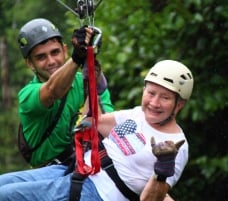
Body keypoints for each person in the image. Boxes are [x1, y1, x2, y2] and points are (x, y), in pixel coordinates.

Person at [0, 59, 193, 201]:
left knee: (6, 196)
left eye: (165, 98)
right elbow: (95, 121)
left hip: (97, 193)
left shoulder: (176, 146)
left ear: (179, 104)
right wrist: (91, 82)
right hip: (76, 170)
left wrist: (162, 169)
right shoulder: (136, 115)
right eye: (150, 93)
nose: (154, 103)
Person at [16, 18, 114, 167]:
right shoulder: (28, 96)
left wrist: (91, 68)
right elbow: (53, 91)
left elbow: (107, 127)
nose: (51, 61)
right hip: (47, 173)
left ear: (65, 50)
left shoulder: (85, 81)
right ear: (30, 64)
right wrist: (77, 58)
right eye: (41, 57)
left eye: (55, 52)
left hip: (88, 165)